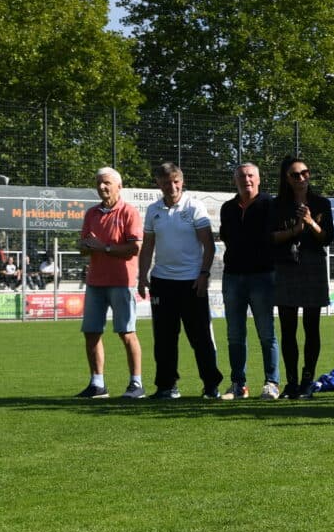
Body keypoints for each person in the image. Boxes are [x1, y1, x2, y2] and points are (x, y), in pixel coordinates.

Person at [138, 161, 222, 400]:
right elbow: (147, 247)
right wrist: (142, 277)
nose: (171, 187)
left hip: (192, 282)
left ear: (182, 182)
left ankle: (211, 386)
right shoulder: (153, 210)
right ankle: (166, 387)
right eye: (166, 183)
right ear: (158, 184)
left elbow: (208, 246)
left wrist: (203, 275)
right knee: (163, 339)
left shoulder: (194, 207)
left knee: (201, 337)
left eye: (175, 182)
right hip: (162, 282)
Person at [74, 167, 144, 400]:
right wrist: (87, 246)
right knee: (91, 333)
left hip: (121, 282)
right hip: (95, 282)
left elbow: (134, 248)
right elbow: (83, 246)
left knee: (127, 333)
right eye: (98, 183)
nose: (101, 187)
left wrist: (102, 247)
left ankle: (136, 383)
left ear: (118, 186)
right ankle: (97, 384)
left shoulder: (129, 212)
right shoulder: (91, 214)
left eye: (106, 183)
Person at [270, 155, 333, 399]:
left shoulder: (321, 203)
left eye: (305, 173)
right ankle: (292, 382)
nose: (301, 178)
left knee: (311, 327)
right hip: (286, 266)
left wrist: (310, 223)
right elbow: (270, 237)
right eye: (295, 174)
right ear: (286, 178)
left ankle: (308, 380)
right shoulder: (276, 205)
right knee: (287, 329)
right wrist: (294, 231)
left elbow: (327, 238)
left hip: (313, 265)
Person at [218, 162, 281, 401]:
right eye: (242, 176)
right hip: (233, 276)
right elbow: (226, 237)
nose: (247, 179)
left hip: (263, 276)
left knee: (267, 333)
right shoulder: (227, 208)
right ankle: (238, 385)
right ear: (235, 180)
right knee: (235, 335)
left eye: (251, 175)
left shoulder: (270, 205)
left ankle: (272, 383)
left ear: (259, 178)